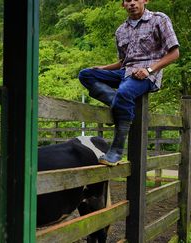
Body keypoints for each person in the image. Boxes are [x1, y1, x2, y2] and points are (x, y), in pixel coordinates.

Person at [78, 0, 179, 166]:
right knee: (86, 74)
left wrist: (149, 70)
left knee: (125, 92)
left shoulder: (159, 19)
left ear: (145, 0)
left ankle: (116, 150)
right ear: (123, 5)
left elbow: (174, 53)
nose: (132, 3)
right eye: (127, 0)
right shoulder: (121, 30)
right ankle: (120, 105)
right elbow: (124, 61)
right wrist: (104, 68)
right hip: (125, 72)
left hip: (147, 75)